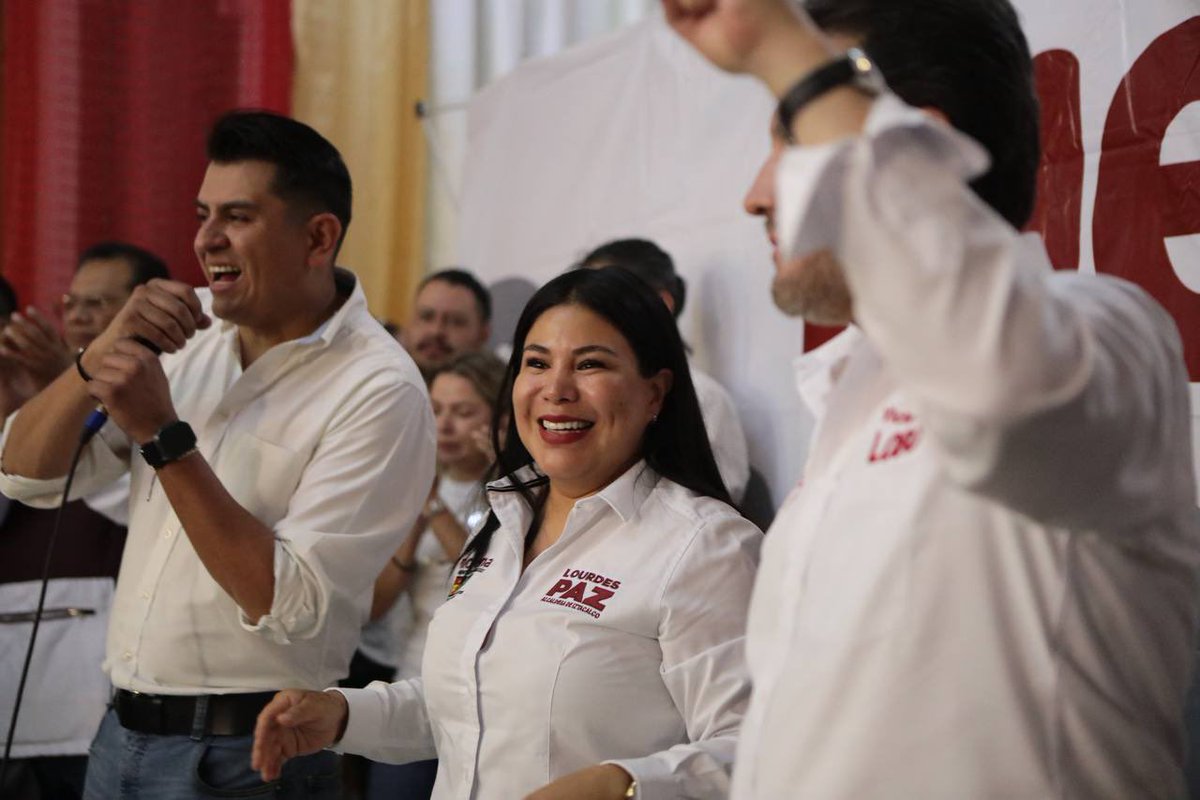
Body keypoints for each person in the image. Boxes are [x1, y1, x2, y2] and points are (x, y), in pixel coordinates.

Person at [664, 0, 1200, 797]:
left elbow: (1003, 390)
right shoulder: (847, 407)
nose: (755, 195)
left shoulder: (1109, 334)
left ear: (914, 147)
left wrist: (783, 49)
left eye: (790, 141)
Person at [0, 110, 435, 799]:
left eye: (237, 216)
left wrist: (164, 437)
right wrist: (97, 354)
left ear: (318, 237)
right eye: (203, 214)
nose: (206, 240)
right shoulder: (190, 334)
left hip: (248, 756)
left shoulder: (379, 389)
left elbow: (290, 601)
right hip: (118, 735)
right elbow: (24, 474)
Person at [252, 267, 761, 800]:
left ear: (655, 393)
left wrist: (626, 785)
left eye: (590, 365)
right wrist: (342, 713)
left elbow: (754, 747)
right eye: (536, 363)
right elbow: (470, 706)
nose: (556, 390)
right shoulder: (504, 518)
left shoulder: (705, 545)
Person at [0, 244, 166, 800]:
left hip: (99, 695)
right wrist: (35, 407)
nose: (78, 316)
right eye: (72, 302)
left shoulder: (167, 393)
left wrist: (66, 383)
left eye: (99, 304)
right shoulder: (30, 390)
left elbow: (147, 503)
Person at [359, 350, 506, 800]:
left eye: (463, 413)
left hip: (486, 692)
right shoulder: (410, 479)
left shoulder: (521, 489)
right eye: (435, 409)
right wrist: (416, 518)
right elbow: (375, 604)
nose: (444, 426)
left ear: (499, 418)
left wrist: (435, 506)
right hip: (414, 678)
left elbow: (486, 579)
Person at [579, 237, 751, 503]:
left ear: (661, 304)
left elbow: (713, 508)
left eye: (604, 299)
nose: (584, 314)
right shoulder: (576, 393)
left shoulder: (703, 398)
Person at [399, 268, 492, 381]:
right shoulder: (381, 384)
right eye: (426, 317)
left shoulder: (507, 396)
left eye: (456, 321)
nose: (436, 331)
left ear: (483, 335)